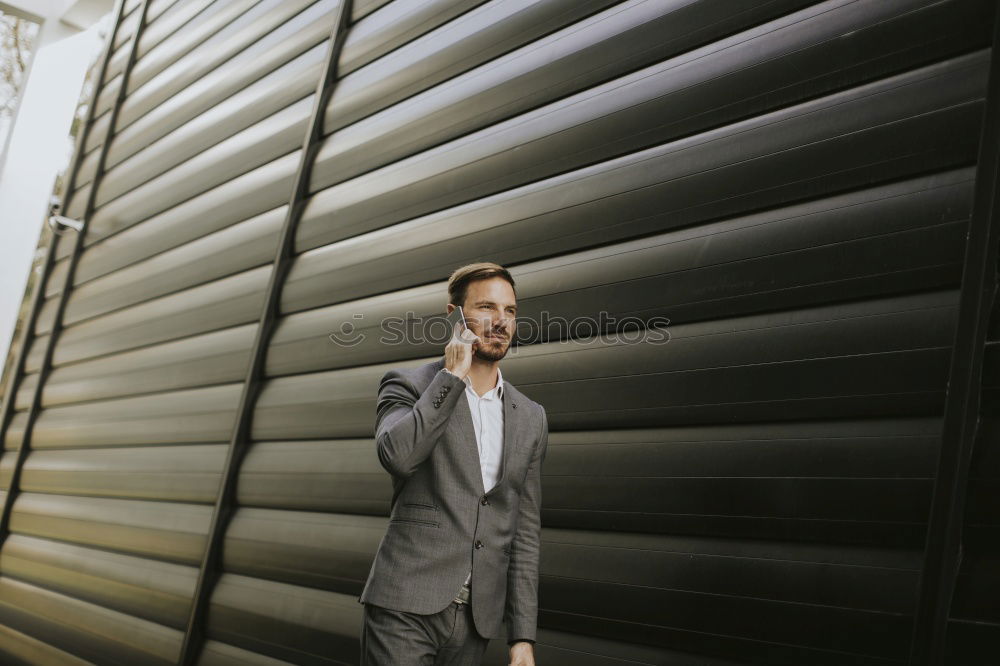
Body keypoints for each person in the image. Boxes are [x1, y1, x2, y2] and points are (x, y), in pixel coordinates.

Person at [358, 262, 548, 666]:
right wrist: (452, 376)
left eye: (510, 311)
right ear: (455, 316)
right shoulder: (409, 386)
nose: (500, 321)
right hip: (404, 607)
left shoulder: (531, 417)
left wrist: (522, 638)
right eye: (486, 308)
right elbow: (398, 456)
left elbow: (525, 530)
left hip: (476, 624)